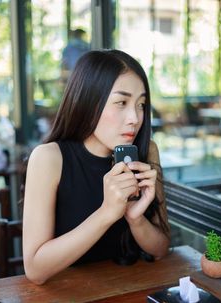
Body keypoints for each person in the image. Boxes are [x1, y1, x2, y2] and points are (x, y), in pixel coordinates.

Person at [23, 49, 171, 285]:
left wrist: (135, 218)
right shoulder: (49, 159)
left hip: (127, 293)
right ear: (88, 102)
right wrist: (106, 213)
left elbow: (161, 249)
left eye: (141, 104)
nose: (135, 117)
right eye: (121, 102)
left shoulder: (146, 150)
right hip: (67, 300)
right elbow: (35, 269)